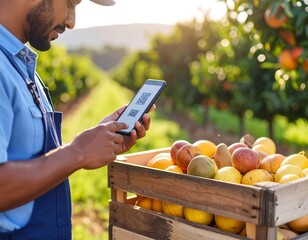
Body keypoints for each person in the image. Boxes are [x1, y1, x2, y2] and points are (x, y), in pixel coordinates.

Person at [0, 0, 154, 239]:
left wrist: (92, 144)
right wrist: (76, 153)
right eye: (71, 2)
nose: (71, 22)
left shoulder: (19, 64)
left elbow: (24, 154)